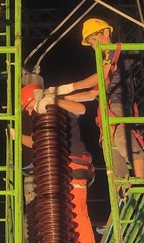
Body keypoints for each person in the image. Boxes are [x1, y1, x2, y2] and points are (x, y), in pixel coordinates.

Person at [55, 18, 144, 180]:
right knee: (110, 149)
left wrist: (70, 86)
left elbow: (102, 77)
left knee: (122, 139)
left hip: (118, 104)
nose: (94, 45)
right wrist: (59, 97)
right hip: (108, 109)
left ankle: (141, 183)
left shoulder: (114, 52)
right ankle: (122, 189)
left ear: (106, 32)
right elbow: (92, 93)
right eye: (91, 43)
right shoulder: (105, 59)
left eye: (95, 39)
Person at [18, 84, 95, 243]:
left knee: (77, 213)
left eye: (28, 106)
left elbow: (81, 109)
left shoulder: (59, 108)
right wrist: (15, 136)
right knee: (62, 216)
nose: (28, 111)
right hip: (60, 170)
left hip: (74, 163)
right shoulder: (44, 121)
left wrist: (53, 101)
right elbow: (35, 141)